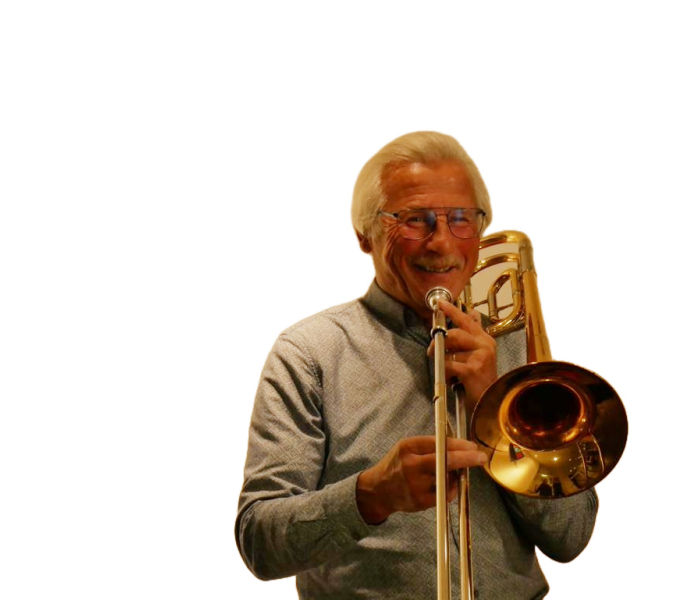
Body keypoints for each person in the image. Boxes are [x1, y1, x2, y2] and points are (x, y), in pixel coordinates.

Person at [236, 129, 598, 599]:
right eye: (415, 220)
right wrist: (370, 496)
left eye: (462, 219)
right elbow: (259, 544)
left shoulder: (515, 350)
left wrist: (496, 402)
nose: (442, 242)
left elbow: (571, 538)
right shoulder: (309, 353)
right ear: (364, 236)